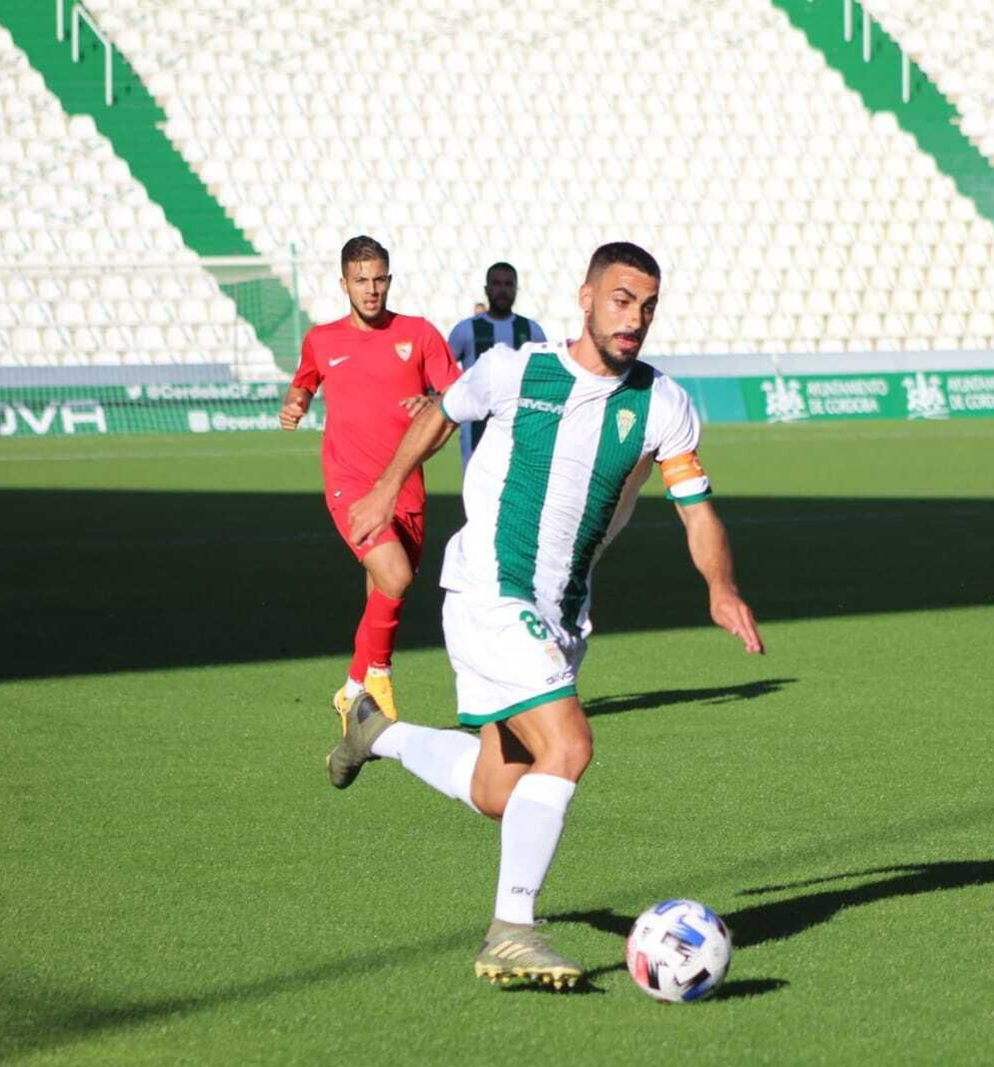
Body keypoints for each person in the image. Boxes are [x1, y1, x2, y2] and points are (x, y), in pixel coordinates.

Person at [330, 242, 765, 987]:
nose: (635, 319)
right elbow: (440, 412)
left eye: (648, 306)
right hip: (490, 588)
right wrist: (386, 486)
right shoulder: (516, 369)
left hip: (564, 615)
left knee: (505, 790)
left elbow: (696, 508)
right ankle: (512, 929)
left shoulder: (662, 403)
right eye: (623, 300)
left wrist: (720, 587)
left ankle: (377, 731)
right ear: (587, 297)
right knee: (569, 743)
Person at [278, 236, 460, 722]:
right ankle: (378, 681)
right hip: (350, 484)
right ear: (344, 284)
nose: (371, 289)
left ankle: (352, 692)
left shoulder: (419, 334)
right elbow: (305, 379)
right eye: (361, 280)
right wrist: (297, 400)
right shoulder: (322, 339)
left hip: (406, 489)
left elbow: (458, 397)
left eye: (379, 279)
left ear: (389, 280)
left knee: (385, 590)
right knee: (395, 575)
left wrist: (437, 403)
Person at [447, 262, 548, 465]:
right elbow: (444, 369)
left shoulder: (531, 330)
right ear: (486, 289)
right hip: (476, 423)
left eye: (508, 284)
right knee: (475, 488)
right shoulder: (466, 329)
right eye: (496, 283)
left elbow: (544, 375)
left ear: (515, 289)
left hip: (520, 422)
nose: (502, 290)